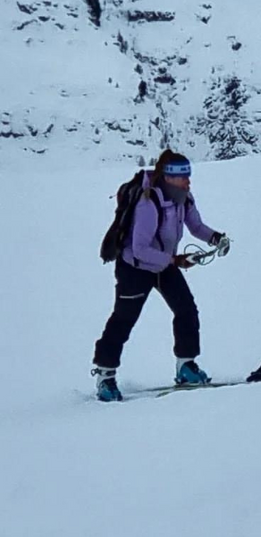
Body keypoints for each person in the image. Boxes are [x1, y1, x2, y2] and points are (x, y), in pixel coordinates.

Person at [91, 149, 229, 401]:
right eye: (183, 176)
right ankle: (105, 376)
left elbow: (195, 225)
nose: (188, 180)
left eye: (189, 174)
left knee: (186, 309)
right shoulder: (148, 202)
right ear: (168, 177)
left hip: (163, 266)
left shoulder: (183, 198)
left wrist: (215, 237)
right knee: (124, 319)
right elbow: (140, 247)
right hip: (134, 268)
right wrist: (174, 260)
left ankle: (186, 366)